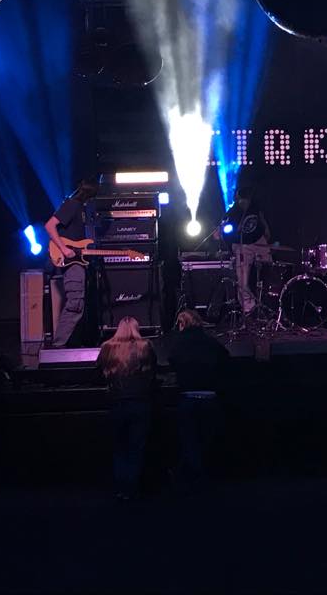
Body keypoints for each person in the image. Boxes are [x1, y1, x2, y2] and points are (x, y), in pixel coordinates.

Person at [159, 309, 230, 489]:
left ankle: (191, 477)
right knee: (205, 440)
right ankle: (197, 476)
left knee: (189, 440)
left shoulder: (179, 343)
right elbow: (225, 358)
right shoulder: (210, 342)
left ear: (182, 324)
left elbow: (172, 360)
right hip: (210, 397)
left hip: (188, 396)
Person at [96, 317, 157, 500]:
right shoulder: (145, 346)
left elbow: (97, 372)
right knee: (136, 448)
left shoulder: (107, 347)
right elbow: (153, 372)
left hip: (117, 402)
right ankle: (132, 488)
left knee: (119, 447)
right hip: (140, 402)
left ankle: (121, 488)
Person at [44, 178, 99, 347]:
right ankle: (58, 346)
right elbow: (50, 225)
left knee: (80, 304)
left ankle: (74, 343)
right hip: (71, 261)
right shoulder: (72, 204)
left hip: (79, 260)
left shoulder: (82, 209)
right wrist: (63, 248)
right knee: (75, 303)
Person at [219, 185, 272, 314]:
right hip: (242, 245)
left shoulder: (255, 206)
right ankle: (249, 308)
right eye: (241, 200)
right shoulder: (233, 212)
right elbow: (223, 230)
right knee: (242, 279)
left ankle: (269, 303)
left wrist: (266, 230)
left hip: (259, 241)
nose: (243, 202)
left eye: (246, 199)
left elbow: (261, 218)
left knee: (270, 270)